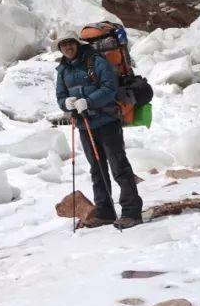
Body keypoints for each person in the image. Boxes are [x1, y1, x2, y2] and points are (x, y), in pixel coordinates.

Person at [53, 29, 143, 229]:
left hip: (108, 121)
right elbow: (60, 95)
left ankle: (132, 212)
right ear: (60, 48)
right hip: (85, 125)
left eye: (71, 43)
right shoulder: (62, 70)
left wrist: (89, 101)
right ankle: (105, 212)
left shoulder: (96, 61)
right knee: (97, 169)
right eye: (63, 45)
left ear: (77, 44)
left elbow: (109, 88)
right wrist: (65, 103)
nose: (68, 47)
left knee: (119, 167)